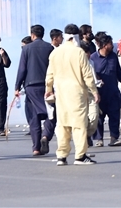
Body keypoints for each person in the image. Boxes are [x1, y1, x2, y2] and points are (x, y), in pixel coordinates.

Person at [46, 24, 98, 166]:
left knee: (63, 125)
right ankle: (80, 156)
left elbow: (49, 74)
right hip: (77, 94)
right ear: (76, 36)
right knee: (79, 125)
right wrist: (94, 91)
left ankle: (61, 156)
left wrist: (48, 89)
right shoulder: (79, 52)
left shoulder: (55, 53)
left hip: (61, 95)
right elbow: (87, 75)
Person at [15, 25, 55, 156]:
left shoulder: (26, 49)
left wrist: (17, 87)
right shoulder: (50, 48)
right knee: (51, 113)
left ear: (32, 35)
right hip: (47, 86)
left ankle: (36, 148)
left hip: (31, 86)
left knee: (33, 117)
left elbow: (22, 69)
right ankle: (46, 135)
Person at [90, 33, 121, 148]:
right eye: (110, 43)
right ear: (104, 45)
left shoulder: (113, 57)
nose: (112, 45)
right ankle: (99, 139)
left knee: (114, 115)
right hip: (99, 93)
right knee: (99, 118)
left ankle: (114, 138)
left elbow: (118, 71)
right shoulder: (93, 58)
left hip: (113, 92)